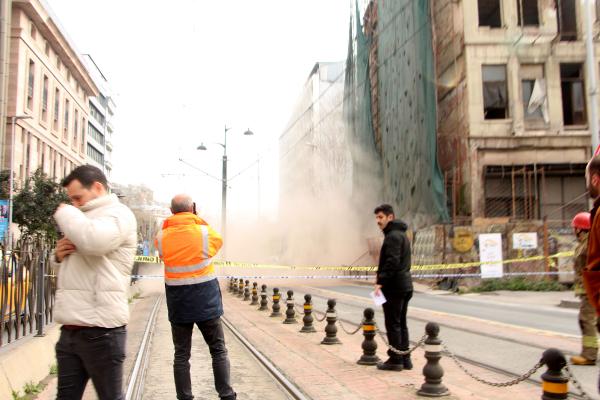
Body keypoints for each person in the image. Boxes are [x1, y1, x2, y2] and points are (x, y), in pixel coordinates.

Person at [52, 165, 137, 400]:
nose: (75, 204)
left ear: (97, 187)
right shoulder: (83, 219)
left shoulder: (118, 214)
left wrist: (65, 212)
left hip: (101, 330)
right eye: (71, 200)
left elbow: (95, 242)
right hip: (71, 330)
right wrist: (58, 256)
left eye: (78, 197)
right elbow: (76, 267)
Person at [155, 194, 236, 400]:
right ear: (193, 208)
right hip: (206, 301)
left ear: (171, 211)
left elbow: (164, 255)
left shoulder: (162, 237)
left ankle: (184, 397)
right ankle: (226, 395)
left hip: (179, 303)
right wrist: (197, 219)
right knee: (218, 350)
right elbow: (217, 243)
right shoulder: (203, 232)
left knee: (181, 355)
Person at [373, 204, 413, 371]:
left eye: (381, 217)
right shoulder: (401, 234)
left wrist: (380, 281)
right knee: (401, 323)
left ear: (390, 217)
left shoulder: (393, 237)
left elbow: (392, 262)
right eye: (376, 218)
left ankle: (395, 360)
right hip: (404, 285)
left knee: (393, 324)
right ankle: (405, 359)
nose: (378, 221)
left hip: (394, 287)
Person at [570, 212, 597, 365]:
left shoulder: (588, 245)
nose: (574, 231)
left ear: (581, 229)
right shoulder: (586, 243)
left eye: (575, 228)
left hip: (591, 291)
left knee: (586, 320)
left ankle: (589, 355)